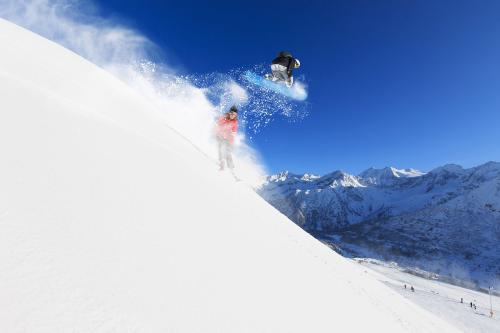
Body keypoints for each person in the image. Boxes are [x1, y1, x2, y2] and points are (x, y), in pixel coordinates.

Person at [215, 105, 238, 171]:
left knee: (228, 150)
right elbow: (218, 125)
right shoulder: (224, 117)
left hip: (227, 137)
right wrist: (217, 133)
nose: (232, 115)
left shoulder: (235, 122)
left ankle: (231, 166)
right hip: (219, 135)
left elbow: (233, 133)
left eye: (234, 114)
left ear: (236, 115)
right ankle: (221, 162)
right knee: (220, 147)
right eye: (231, 113)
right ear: (229, 113)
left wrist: (231, 142)